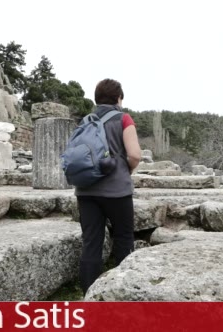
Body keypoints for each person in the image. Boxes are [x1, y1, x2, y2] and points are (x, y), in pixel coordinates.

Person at [74, 78, 142, 295]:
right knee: (123, 238)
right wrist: (126, 170)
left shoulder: (85, 120)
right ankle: (123, 292)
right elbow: (135, 155)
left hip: (86, 190)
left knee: (91, 242)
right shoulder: (124, 118)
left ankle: (88, 295)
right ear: (118, 98)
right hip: (117, 192)